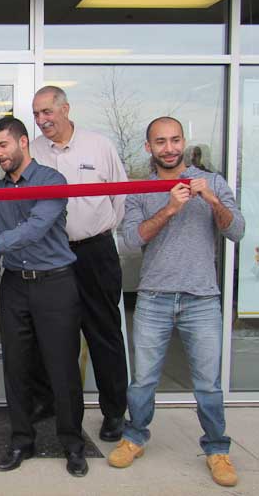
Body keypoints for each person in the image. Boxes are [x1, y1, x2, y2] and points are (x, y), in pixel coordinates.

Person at [108, 117, 244, 488]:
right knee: (143, 381)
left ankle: (217, 449)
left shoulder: (212, 182)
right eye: (160, 142)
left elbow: (237, 230)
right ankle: (135, 437)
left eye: (174, 140)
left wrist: (212, 199)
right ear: (148, 147)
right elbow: (132, 242)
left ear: (183, 141)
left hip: (202, 299)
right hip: (153, 297)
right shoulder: (140, 189)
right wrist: (169, 208)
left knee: (208, 385)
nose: (168, 148)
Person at [0, 116, 88, 477]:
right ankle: (21, 440)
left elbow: (34, 229)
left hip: (55, 285)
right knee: (15, 366)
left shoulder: (52, 181)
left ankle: (73, 445)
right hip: (14, 285)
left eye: (3, 145)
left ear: (23, 142)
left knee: (62, 369)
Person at [30, 85, 129, 441]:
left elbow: (119, 200)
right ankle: (51, 402)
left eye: (47, 112)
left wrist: (94, 231)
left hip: (95, 252)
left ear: (65, 109)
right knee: (52, 334)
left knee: (103, 332)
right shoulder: (35, 150)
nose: (42, 120)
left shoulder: (98, 146)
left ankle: (114, 411)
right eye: (37, 114)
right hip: (52, 253)